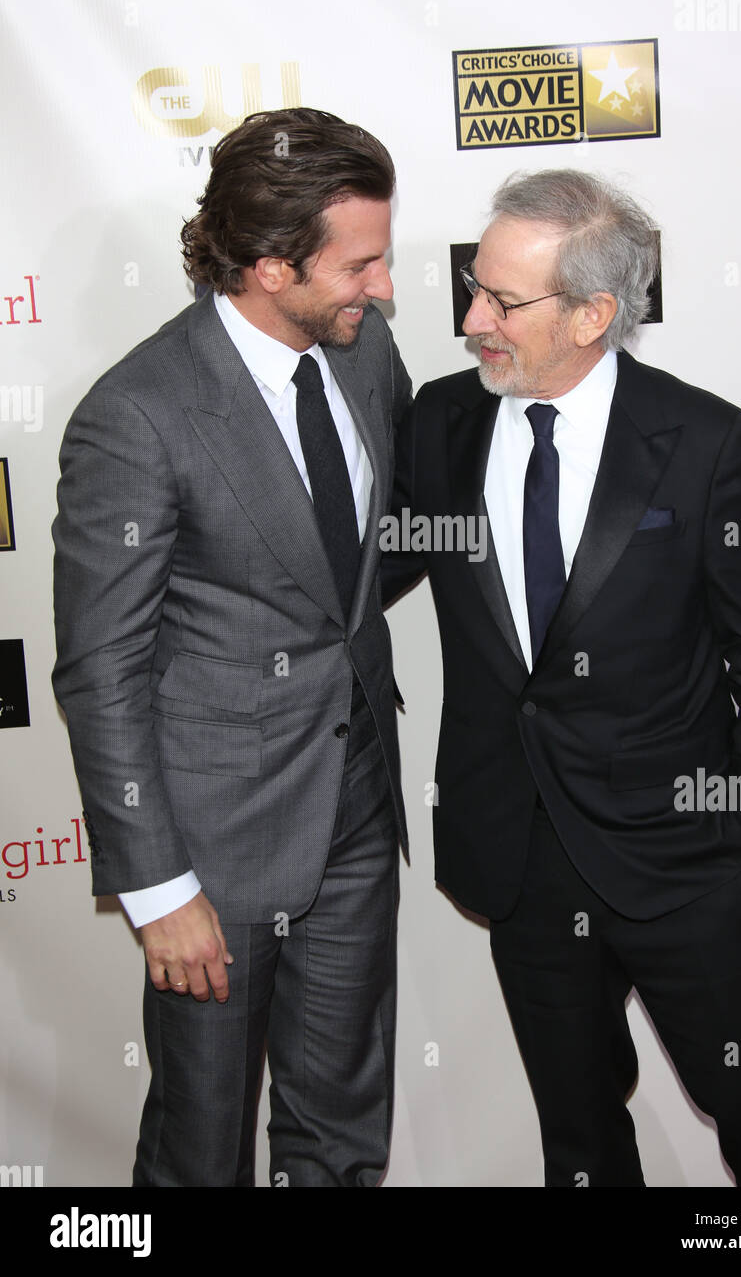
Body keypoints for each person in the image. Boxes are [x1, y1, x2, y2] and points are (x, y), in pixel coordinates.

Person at [384, 169, 741, 1187]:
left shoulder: (700, 440)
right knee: (578, 1142)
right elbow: (368, 569)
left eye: (501, 300)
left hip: (686, 861)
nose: (470, 319)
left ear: (593, 313)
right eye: (473, 287)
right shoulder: (442, 424)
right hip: (523, 861)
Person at [52, 106, 412, 1187]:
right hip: (211, 851)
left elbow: (360, 560)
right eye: (361, 265)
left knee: (341, 1134)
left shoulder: (363, 351)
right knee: (200, 1150)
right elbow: (98, 668)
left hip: (354, 812)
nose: (385, 288)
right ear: (267, 265)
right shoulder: (139, 413)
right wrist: (159, 890)